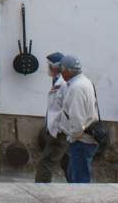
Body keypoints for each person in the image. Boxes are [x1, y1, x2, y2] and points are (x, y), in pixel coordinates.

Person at [59, 54, 98, 183]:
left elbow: (77, 119)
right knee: (74, 175)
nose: (61, 73)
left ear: (66, 70)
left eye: (61, 70)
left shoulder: (77, 87)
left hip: (81, 140)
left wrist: (72, 138)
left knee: (79, 181)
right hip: (84, 139)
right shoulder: (85, 82)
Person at [35, 52, 69, 183]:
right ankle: (77, 187)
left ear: (53, 67)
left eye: (48, 65)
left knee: (45, 163)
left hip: (60, 131)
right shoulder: (58, 81)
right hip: (58, 130)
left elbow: (65, 108)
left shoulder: (63, 84)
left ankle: (41, 190)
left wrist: (59, 128)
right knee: (67, 163)